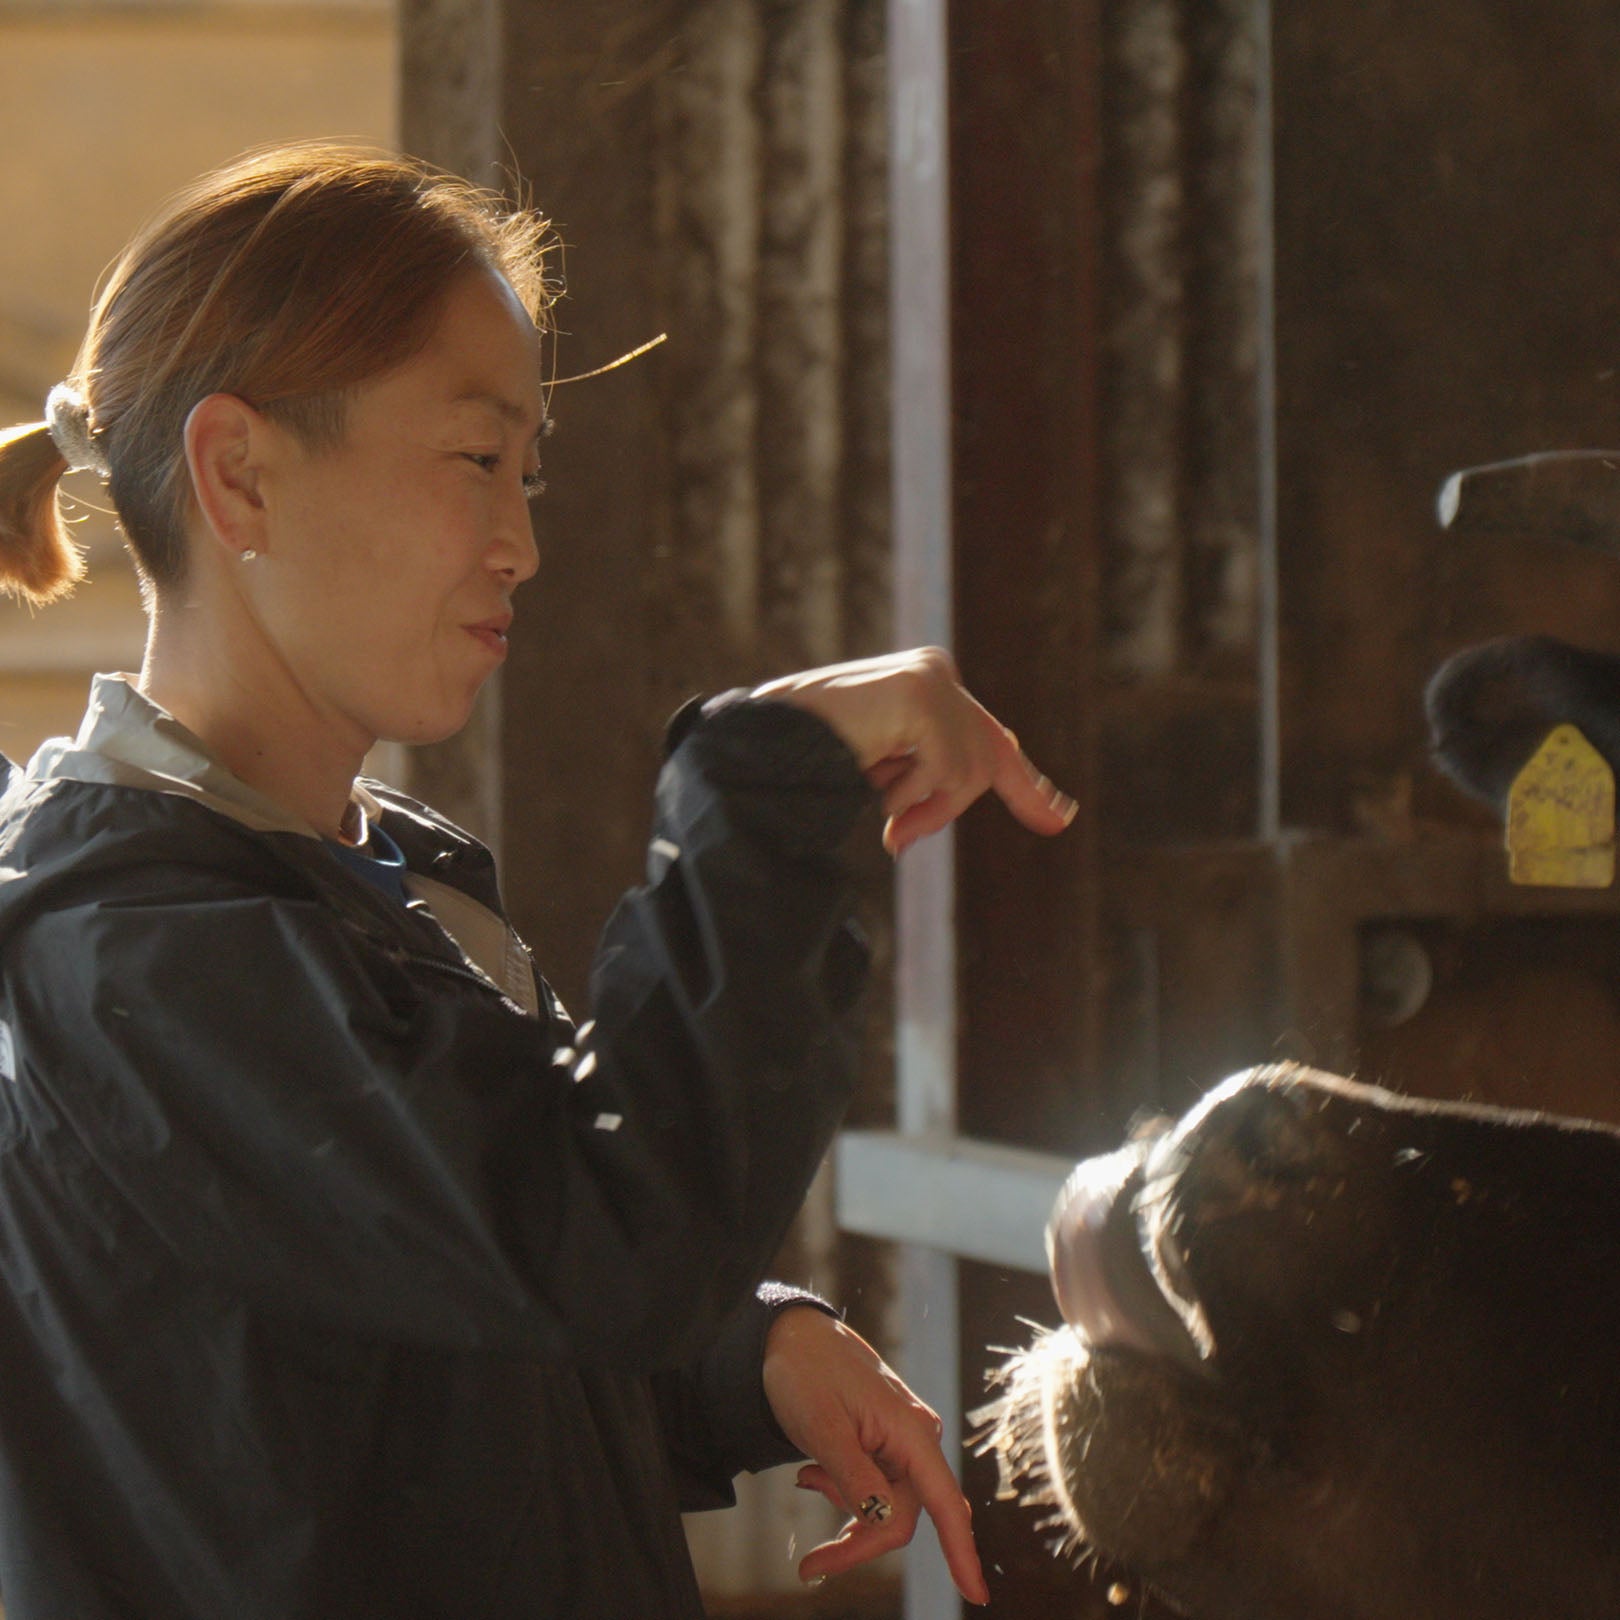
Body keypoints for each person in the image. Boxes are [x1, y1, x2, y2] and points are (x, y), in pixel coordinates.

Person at [0, 142, 1074, 1619]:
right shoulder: (135, 953)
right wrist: (765, 797)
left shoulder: (374, 882)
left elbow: (423, 1319)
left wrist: (738, 1363)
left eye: (530, 474)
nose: (521, 542)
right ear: (239, 473)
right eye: (475, 461)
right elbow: (594, 1237)